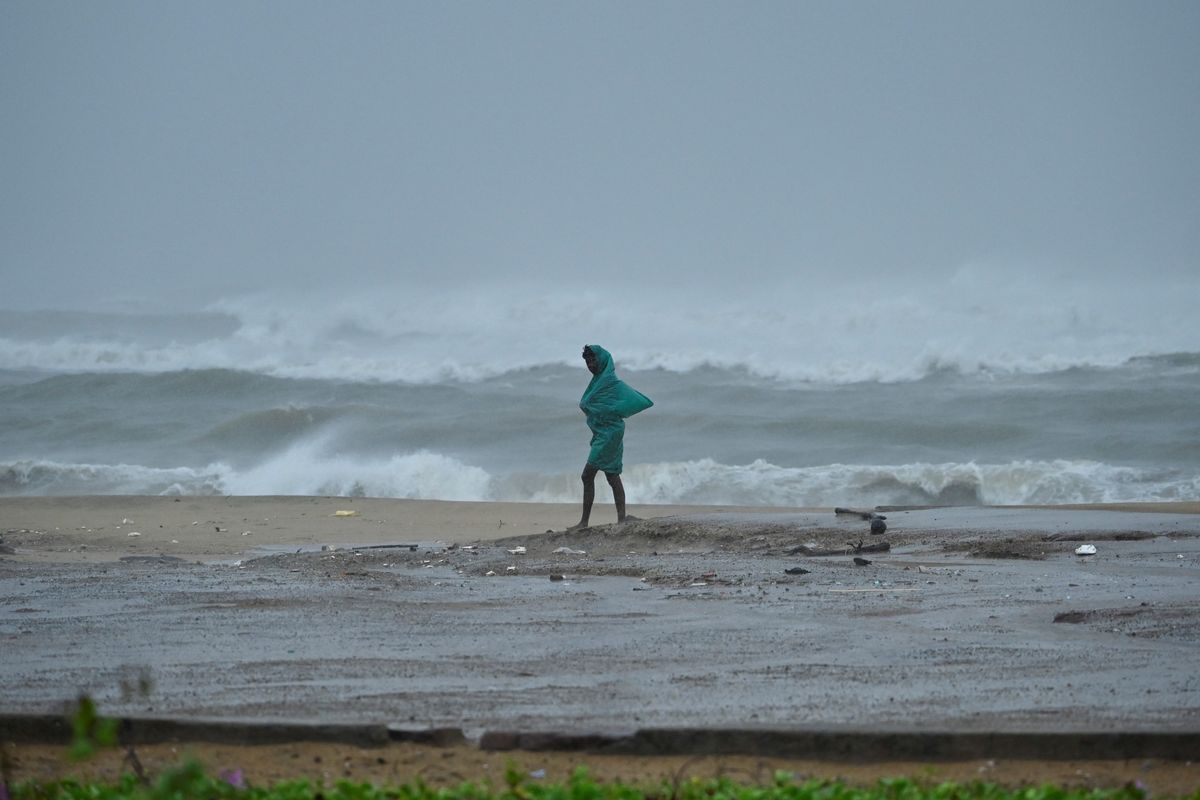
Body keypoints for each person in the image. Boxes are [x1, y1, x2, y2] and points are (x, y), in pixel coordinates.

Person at [568, 345, 653, 530]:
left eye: (593, 360)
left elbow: (637, 401)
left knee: (587, 475)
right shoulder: (597, 382)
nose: (590, 364)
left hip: (610, 435)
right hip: (602, 434)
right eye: (587, 362)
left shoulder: (612, 383)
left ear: (603, 360)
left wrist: (611, 412)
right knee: (612, 475)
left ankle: (584, 523)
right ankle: (621, 519)